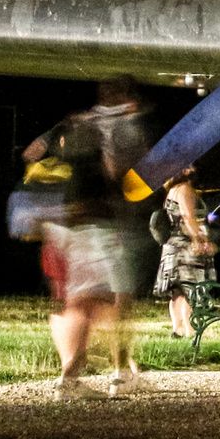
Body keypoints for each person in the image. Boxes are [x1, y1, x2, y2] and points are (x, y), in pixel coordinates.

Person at [24, 113, 138, 399]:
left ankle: (84, 374)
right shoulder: (93, 165)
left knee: (86, 306)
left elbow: (33, 153)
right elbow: (104, 198)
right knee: (107, 305)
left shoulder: (70, 165)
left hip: (77, 238)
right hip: (98, 238)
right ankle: (104, 375)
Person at [152, 170, 213, 338]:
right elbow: (187, 217)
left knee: (177, 291)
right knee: (188, 289)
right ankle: (188, 329)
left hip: (172, 246)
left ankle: (177, 329)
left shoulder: (172, 190)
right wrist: (199, 239)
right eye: (189, 165)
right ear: (183, 170)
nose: (194, 168)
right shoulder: (185, 189)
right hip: (184, 247)